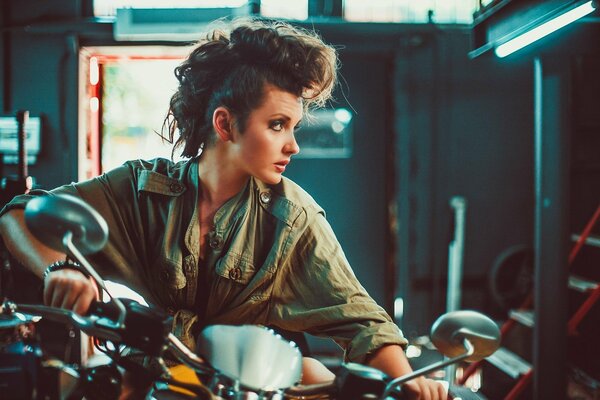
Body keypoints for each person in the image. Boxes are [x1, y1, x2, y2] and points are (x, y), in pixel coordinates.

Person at [0, 18, 446, 399]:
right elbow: (19, 214)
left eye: (292, 126)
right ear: (225, 123)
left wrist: (409, 385)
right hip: (162, 378)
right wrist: (58, 269)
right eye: (277, 126)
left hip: (261, 383)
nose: (292, 144)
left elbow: (363, 323)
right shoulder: (142, 189)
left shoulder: (293, 218)